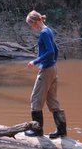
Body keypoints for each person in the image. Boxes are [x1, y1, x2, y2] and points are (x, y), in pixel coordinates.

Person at [24, 10, 67, 139]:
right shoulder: (48, 30)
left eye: (31, 25)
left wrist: (35, 61)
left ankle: (37, 130)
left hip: (47, 70)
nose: (32, 27)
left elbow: (50, 52)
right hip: (52, 69)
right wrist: (52, 63)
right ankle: (61, 131)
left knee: (35, 99)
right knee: (53, 101)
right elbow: (56, 50)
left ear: (36, 22)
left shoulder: (43, 33)